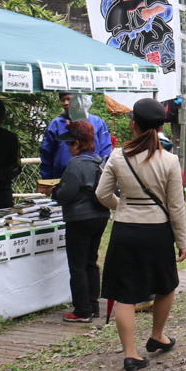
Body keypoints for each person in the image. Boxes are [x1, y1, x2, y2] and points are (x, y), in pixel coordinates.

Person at [95, 99, 186, 371]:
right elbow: (176, 206)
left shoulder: (117, 155)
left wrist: (122, 206)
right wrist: (182, 241)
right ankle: (157, 335)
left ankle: (130, 354)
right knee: (165, 285)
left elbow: (101, 194)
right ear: (161, 127)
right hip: (157, 230)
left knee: (125, 294)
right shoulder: (170, 160)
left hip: (125, 229)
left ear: (133, 123)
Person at [52, 120, 110, 323]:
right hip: (100, 216)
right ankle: (93, 306)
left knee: (77, 264)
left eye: (69, 143)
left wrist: (54, 192)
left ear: (76, 143)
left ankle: (82, 310)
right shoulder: (98, 161)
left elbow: (67, 193)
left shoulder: (75, 164)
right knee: (91, 262)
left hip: (79, 218)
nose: (67, 148)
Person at [39, 93, 112, 179]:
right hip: (62, 177)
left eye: (69, 99)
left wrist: (101, 170)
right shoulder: (55, 124)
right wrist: (47, 179)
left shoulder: (97, 122)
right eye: (62, 100)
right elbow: (46, 153)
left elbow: (105, 149)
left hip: (93, 176)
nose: (65, 103)